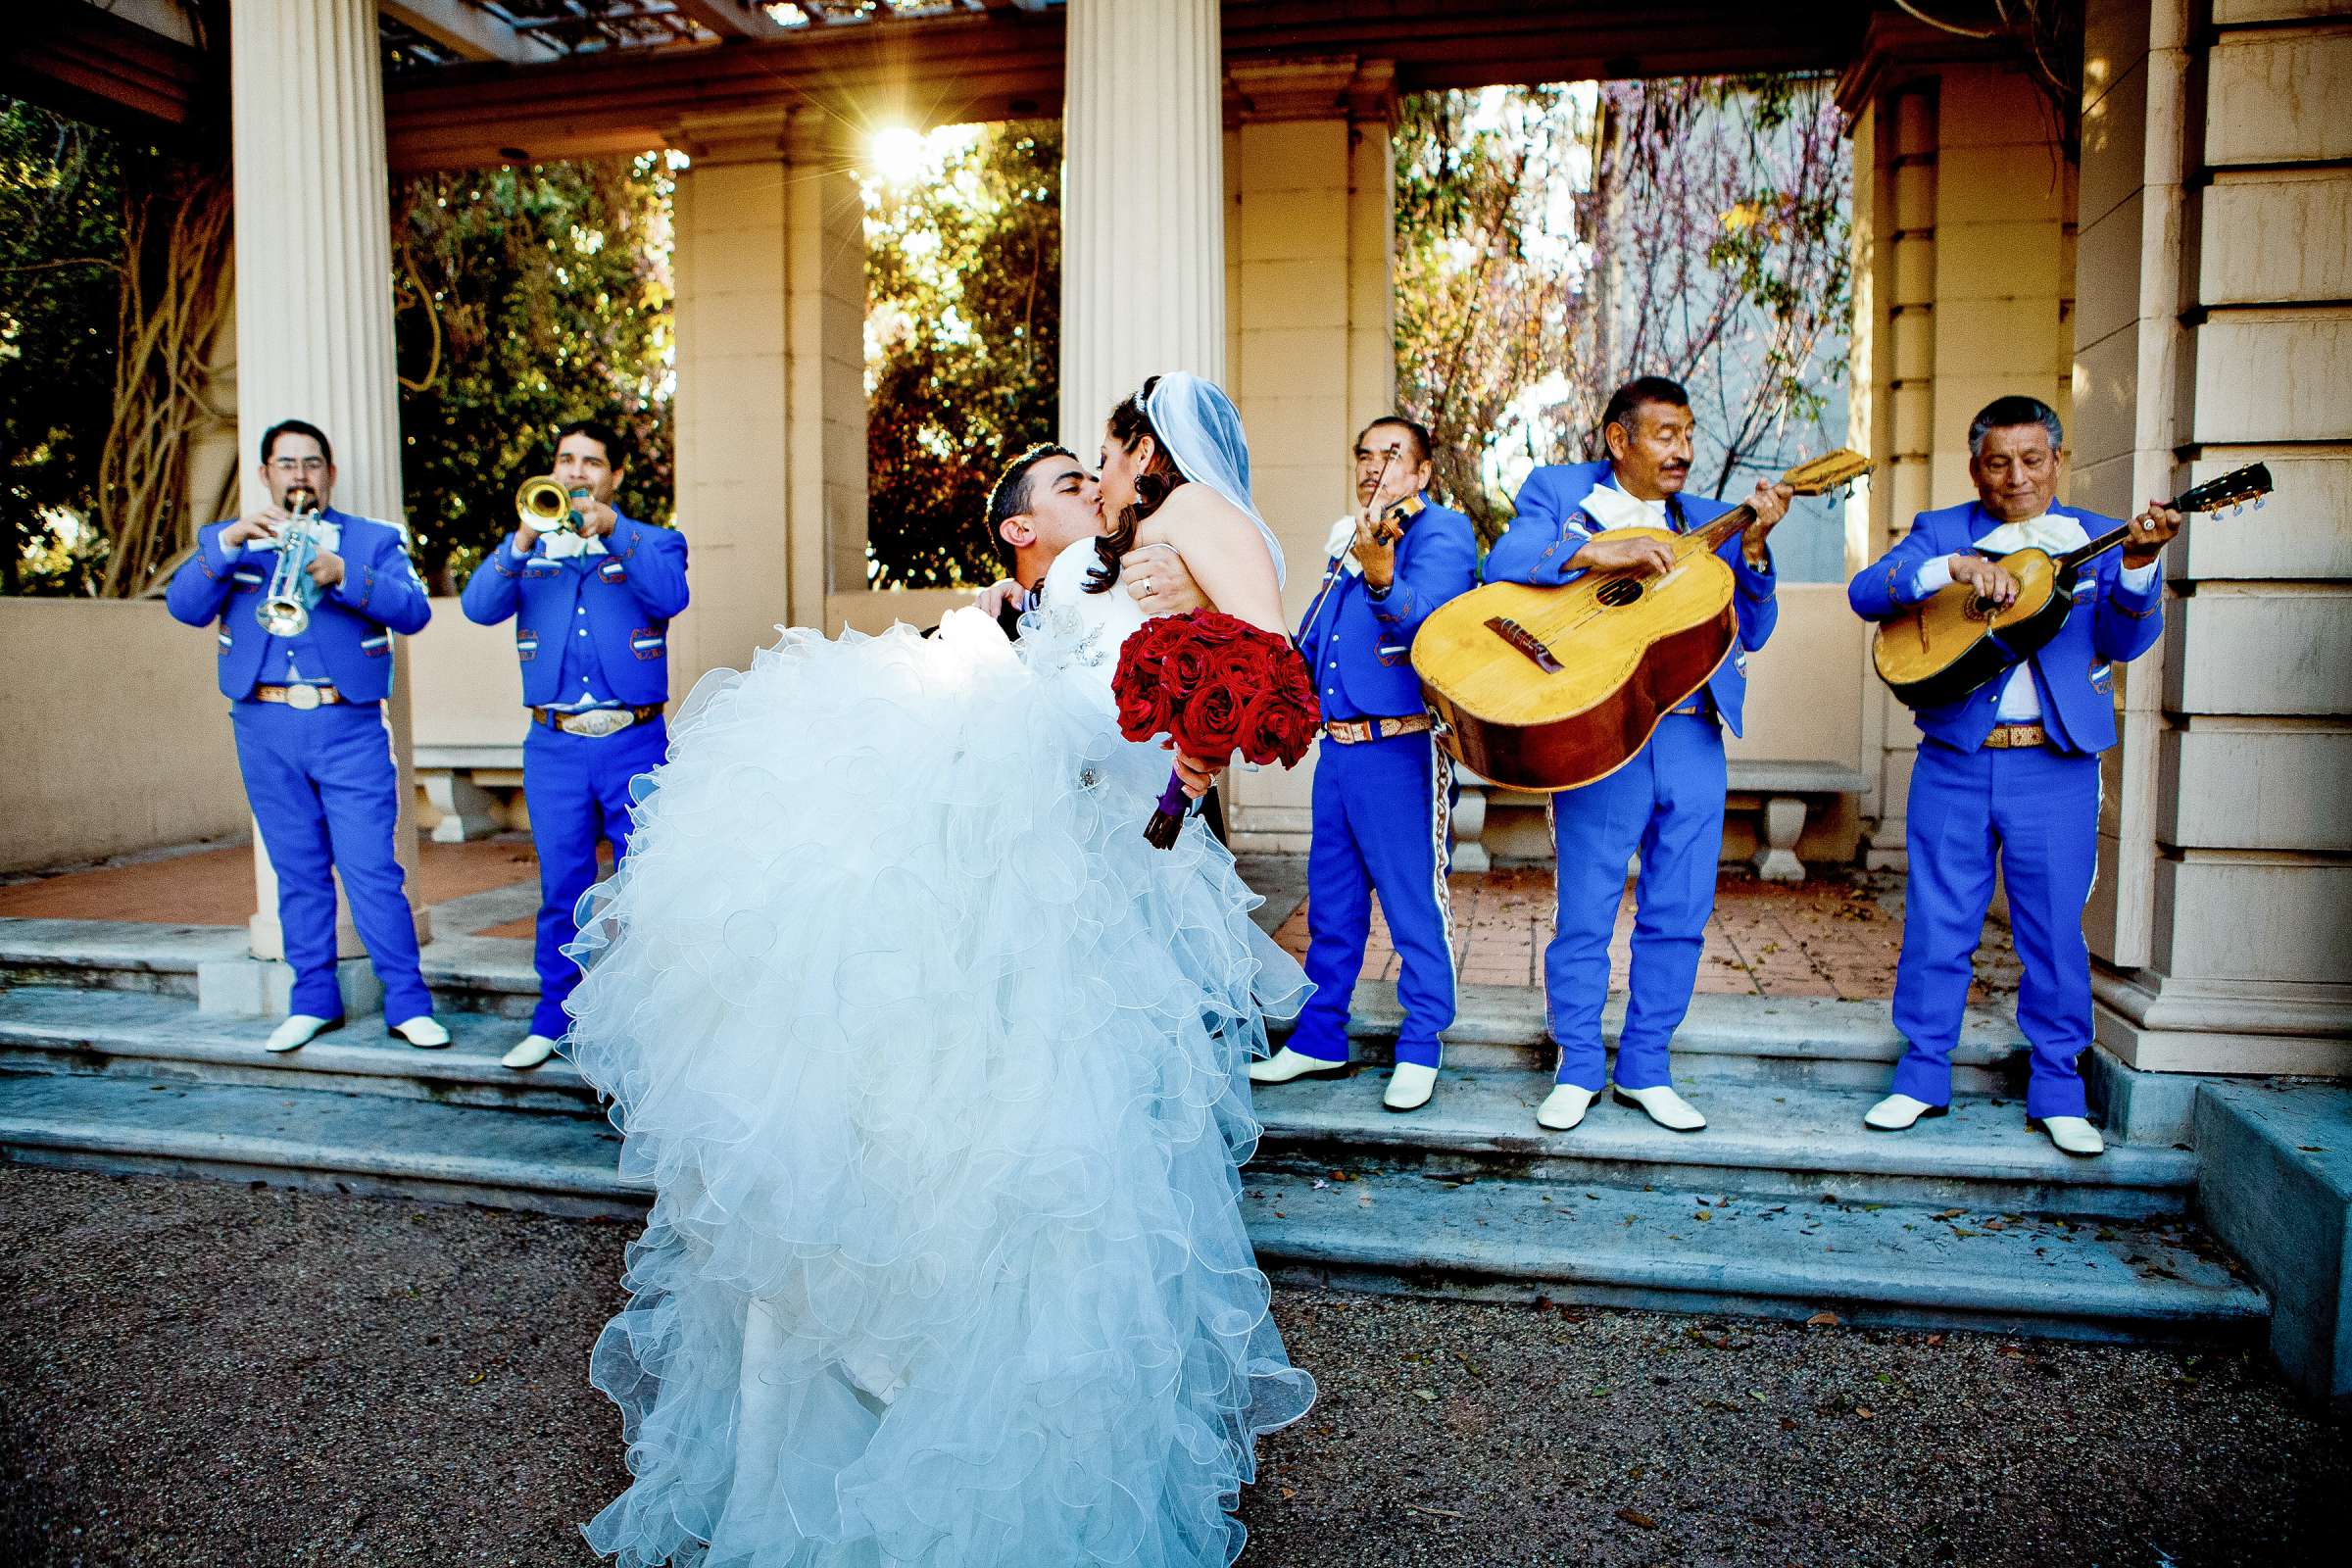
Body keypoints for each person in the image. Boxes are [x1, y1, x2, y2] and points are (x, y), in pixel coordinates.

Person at [564, 373, 1314, 1567]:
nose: (1100, 482)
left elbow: (1197, 687)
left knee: (1031, 1159)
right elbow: (1104, 715)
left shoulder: (1130, 564)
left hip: (1077, 883)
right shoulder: (1083, 575)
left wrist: (1165, 740)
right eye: (1076, 479)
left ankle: (942, 1437)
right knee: (1010, 1147)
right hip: (1050, 878)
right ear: (1026, 526)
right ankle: (935, 1418)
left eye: (1102, 463)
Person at [1848, 395, 2180, 1157]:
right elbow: (1870, 591)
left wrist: (2137, 564)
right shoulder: (1942, 530)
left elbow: (2127, 642)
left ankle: (2059, 1086)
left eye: (2034, 459)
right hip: (1956, 761)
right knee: (1939, 920)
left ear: (2057, 462)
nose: (2017, 476)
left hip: (2055, 765)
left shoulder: (2096, 537)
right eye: (1999, 462)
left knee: (2053, 929)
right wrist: (1951, 567)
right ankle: (1922, 1074)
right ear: (1976, 468)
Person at [1483, 376, 1789, 1134]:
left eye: (1688, 434)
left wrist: (1752, 550)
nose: (1683, 450)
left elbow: (1752, 628)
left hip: (1692, 731)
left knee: (1680, 908)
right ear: (1619, 440)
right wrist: (1598, 550)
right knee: (1585, 909)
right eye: (1665, 434)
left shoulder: (1712, 520)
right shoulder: (1559, 489)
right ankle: (1578, 1065)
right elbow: (1507, 558)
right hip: (1603, 733)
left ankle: (1647, 1066)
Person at [164, 418, 448, 1054]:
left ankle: (407, 1001)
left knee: (372, 868)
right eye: (286, 463)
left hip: (348, 725)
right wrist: (230, 542)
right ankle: (313, 999)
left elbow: (414, 610)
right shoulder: (231, 542)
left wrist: (343, 573)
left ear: (330, 474)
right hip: (262, 724)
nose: (299, 474)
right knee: (297, 871)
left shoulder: (372, 541)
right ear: (265, 474)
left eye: (311, 463)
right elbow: (184, 607)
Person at [1250, 416, 1477, 1112]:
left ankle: (1422, 1043)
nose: (1375, 466)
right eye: (1365, 454)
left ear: (1423, 473)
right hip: (1338, 752)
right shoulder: (1349, 541)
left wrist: (1380, 578)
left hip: (1400, 747)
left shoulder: (1440, 532)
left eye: (1393, 454)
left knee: (1413, 902)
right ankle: (1319, 1038)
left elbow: (1436, 626)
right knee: (1334, 906)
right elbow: (1317, 644)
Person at [457, 418, 688, 1071]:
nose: (577, 471)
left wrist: (612, 529)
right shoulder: (529, 553)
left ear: (614, 477)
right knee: (563, 889)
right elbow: (478, 606)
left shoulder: (654, 541)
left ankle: (646, 1024)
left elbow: (671, 595)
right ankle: (552, 1017)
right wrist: (525, 535)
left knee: (645, 890)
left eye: (592, 462)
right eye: (566, 460)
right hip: (553, 746)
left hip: (635, 739)